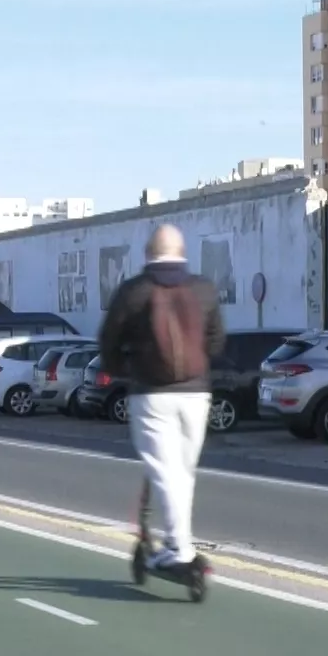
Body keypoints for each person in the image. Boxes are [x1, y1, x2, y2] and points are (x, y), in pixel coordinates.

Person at [97, 224, 226, 567]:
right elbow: (216, 342)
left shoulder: (133, 291)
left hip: (150, 394)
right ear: (182, 252)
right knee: (183, 472)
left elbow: (108, 341)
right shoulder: (204, 289)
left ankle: (178, 548)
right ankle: (176, 542)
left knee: (163, 470)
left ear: (148, 253)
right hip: (196, 394)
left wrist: (124, 369)